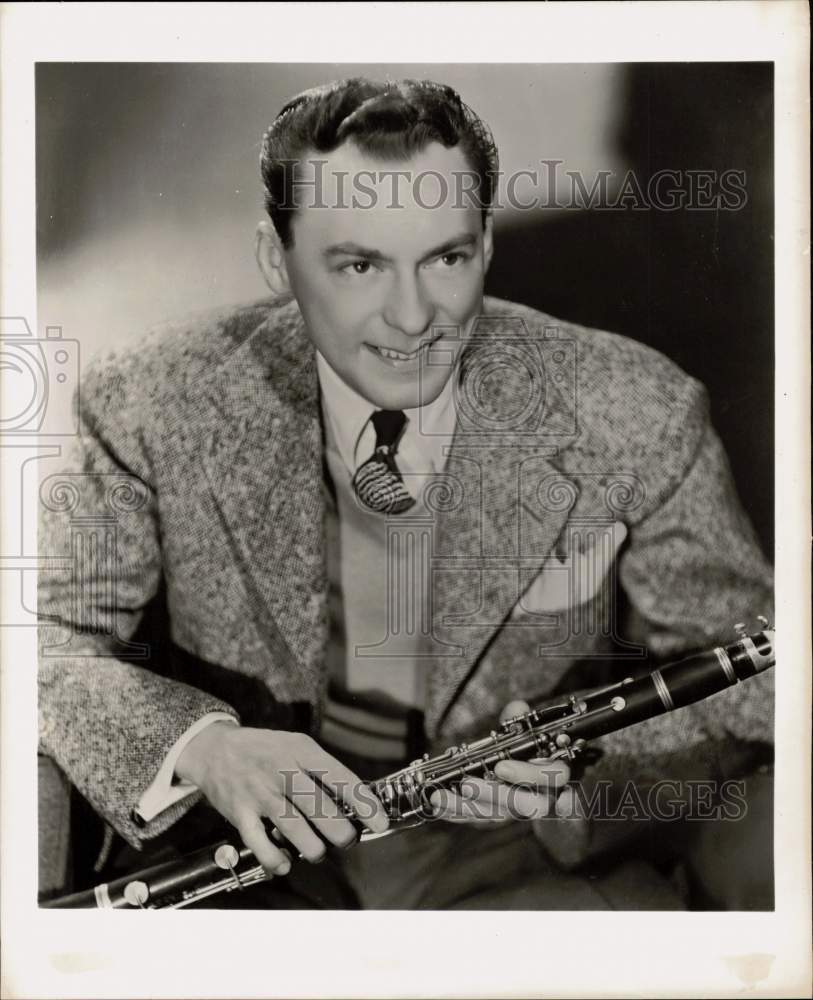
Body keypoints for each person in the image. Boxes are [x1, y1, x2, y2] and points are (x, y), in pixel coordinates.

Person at [38, 78, 773, 910]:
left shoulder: (637, 405)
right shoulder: (145, 398)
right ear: (274, 263)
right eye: (358, 265)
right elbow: (50, 648)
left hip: (515, 872)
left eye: (446, 258)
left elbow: (751, 683)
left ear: (485, 247)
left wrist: (572, 773)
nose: (414, 315)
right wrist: (205, 747)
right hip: (240, 881)